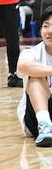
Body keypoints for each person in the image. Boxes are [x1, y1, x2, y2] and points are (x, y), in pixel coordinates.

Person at [17, 8, 52, 147]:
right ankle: (45, 126)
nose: (49, 31)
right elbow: (22, 66)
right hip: (35, 119)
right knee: (36, 77)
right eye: (46, 26)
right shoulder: (32, 53)